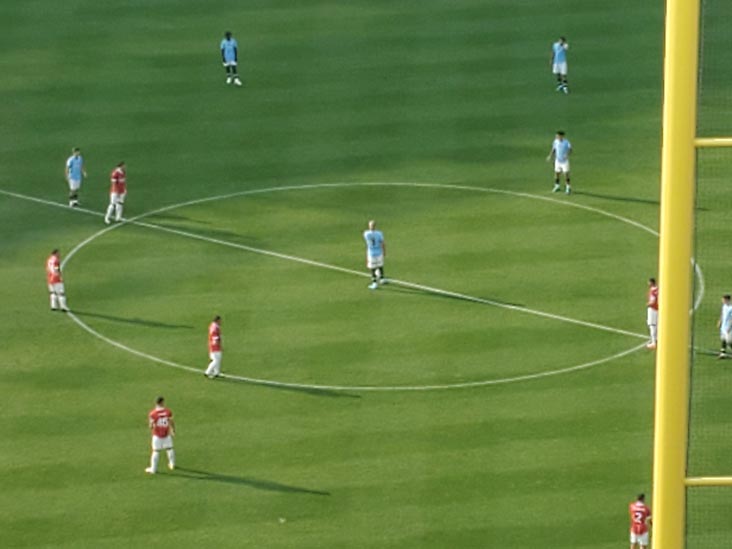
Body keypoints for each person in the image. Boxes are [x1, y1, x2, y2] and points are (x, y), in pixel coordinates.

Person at [145, 396, 175, 474]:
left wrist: (152, 425)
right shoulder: (168, 411)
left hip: (157, 435)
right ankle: (172, 464)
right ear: (162, 402)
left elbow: (151, 426)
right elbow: (171, 421)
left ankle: (153, 469)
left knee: (156, 451)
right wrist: (172, 430)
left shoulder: (153, 413)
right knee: (169, 448)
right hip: (166, 434)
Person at [363, 220, 387, 290]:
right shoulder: (379, 233)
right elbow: (382, 243)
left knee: (373, 268)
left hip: (371, 253)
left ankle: (374, 283)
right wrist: (384, 251)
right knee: (380, 265)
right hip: (379, 252)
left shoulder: (366, 234)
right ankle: (382, 279)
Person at [717, 294, 732, 358]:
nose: (722, 301)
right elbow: (722, 314)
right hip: (723, 326)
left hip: (729, 327)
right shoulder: (724, 306)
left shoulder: (731, 308)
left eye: (723, 299)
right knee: (723, 339)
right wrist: (720, 321)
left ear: (727, 300)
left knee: (729, 341)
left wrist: (730, 327)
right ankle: (723, 353)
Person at [646, 278, 659, 350]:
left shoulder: (652, 291)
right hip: (658, 309)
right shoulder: (659, 289)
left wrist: (648, 304)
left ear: (651, 283)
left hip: (653, 309)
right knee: (657, 325)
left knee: (652, 325)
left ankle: (654, 343)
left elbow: (652, 301)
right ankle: (656, 340)